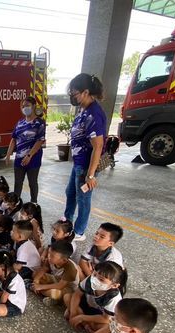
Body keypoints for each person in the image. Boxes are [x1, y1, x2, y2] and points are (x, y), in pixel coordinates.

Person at [64, 73, 107, 241]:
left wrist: (91, 174)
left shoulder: (94, 114)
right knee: (71, 193)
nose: (73, 97)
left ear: (86, 92)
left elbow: (98, 146)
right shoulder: (84, 110)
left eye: (75, 93)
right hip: (79, 163)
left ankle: (79, 231)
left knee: (83, 198)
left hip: (86, 166)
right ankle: (67, 221)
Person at [64, 261, 127, 333]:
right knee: (67, 297)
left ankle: (83, 323)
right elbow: (77, 295)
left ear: (114, 285)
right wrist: (73, 314)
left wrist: (81, 317)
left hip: (99, 315)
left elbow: (105, 319)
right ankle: (86, 325)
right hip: (87, 305)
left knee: (106, 326)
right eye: (94, 274)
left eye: (101, 279)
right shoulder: (90, 280)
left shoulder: (114, 297)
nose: (95, 279)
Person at [5, 96, 46, 203]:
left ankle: (34, 204)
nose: (24, 108)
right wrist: (8, 154)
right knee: (18, 183)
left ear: (33, 106)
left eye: (27, 105)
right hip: (19, 158)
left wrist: (29, 156)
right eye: (23, 106)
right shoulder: (20, 123)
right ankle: (15, 204)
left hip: (33, 158)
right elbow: (14, 139)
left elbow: (40, 141)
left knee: (32, 182)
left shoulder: (39, 123)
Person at [32, 241, 79, 307]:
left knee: (53, 293)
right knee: (35, 274)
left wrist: (40, 287)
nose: (48, 257)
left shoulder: (71, 268)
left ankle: (39, 290)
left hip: (67, 288)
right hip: (56, 279)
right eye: (48, 253)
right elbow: (44, 268)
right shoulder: (50, 259)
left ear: (64, 260)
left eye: (52, 256)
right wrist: (36, 280)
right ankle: (40, 290)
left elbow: (60, 286)